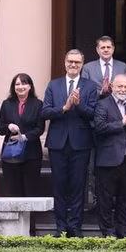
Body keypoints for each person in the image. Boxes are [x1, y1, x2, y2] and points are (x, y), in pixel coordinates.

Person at [42, 49, 99, 238]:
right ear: (65, 63)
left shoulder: (90, 87)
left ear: (82, 64)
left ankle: (75, 226)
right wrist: (64, 108)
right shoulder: (54, 85)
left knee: (77, 186)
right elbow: (45, 112)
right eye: (70, 62)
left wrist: (79, 104)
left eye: (77, 62)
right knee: (59, 186)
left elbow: (93, 113)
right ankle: (60, 226)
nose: (73, 65)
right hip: (58, 143)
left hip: (80, 143)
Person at [0, 73, 45, 235]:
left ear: (30, 86)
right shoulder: (7, 104)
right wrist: (8, 126)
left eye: (24, 84)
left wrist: (24, 137)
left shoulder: (38, 104)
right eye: (17, 84)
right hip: (11, 153)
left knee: (30, 191)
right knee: (13, 190)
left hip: (31, 153)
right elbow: (0, 127)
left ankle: (30, 229)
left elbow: (40, 128)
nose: (20, 87)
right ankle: (14, 229)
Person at [93, 74, 126, 238]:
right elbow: (99, 127)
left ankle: (122, 230)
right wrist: (122, 123)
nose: (123, 90)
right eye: (120, 86)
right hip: (108, 159)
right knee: (105, 198)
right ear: (112, 86)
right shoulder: (102, 105)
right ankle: (107, 231)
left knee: (125, 197)